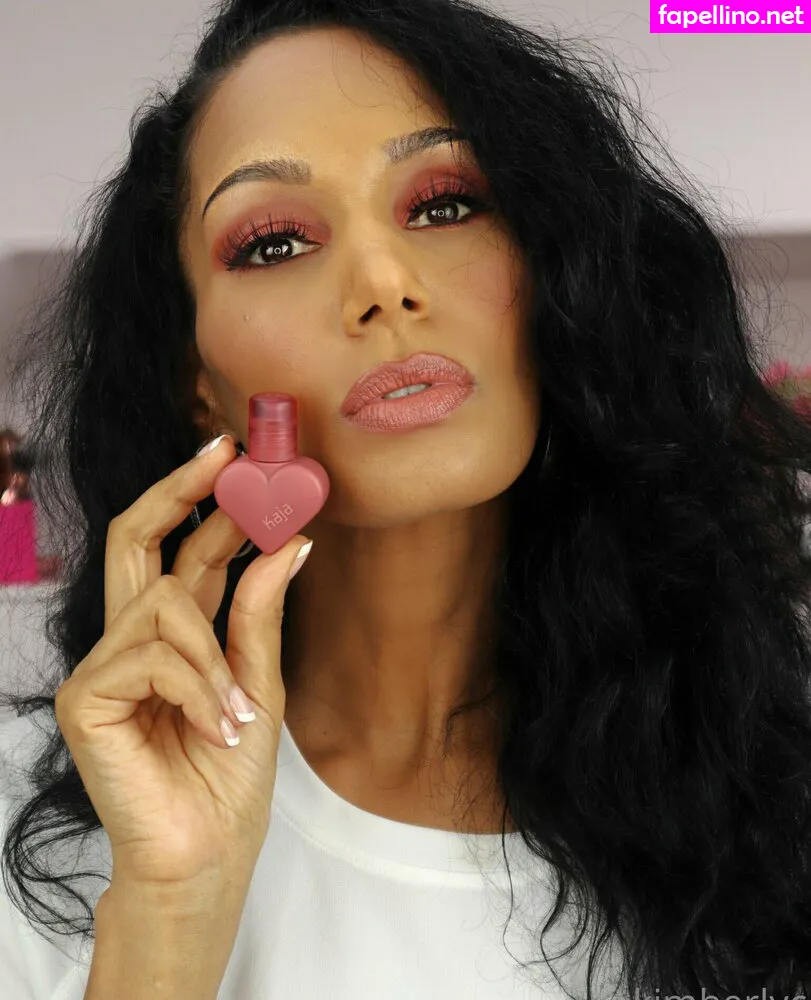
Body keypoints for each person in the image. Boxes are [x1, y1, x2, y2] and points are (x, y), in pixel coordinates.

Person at [1, 0, 811, 996]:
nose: (384, 282)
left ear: (557, 270)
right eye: (274, 242)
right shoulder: (27, 828)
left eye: (443, 205)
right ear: (195, 378)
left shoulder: (769, 799)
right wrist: (169, 914)